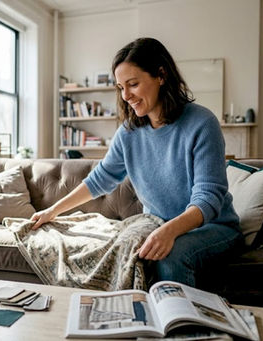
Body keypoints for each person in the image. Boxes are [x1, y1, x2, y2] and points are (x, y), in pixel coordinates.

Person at [31, 37, 244, 287]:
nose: (126, 95)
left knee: (170, 256)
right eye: (121, 87)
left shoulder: (202, 123)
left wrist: (170, 231)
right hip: (157, 223)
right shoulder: (128, 132)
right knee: (121, 249)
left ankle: (180, 324)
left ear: (161, 75)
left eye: (133, 84)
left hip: (213, 228)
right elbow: (100, 180)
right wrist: (52, 210)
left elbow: (208, 198)